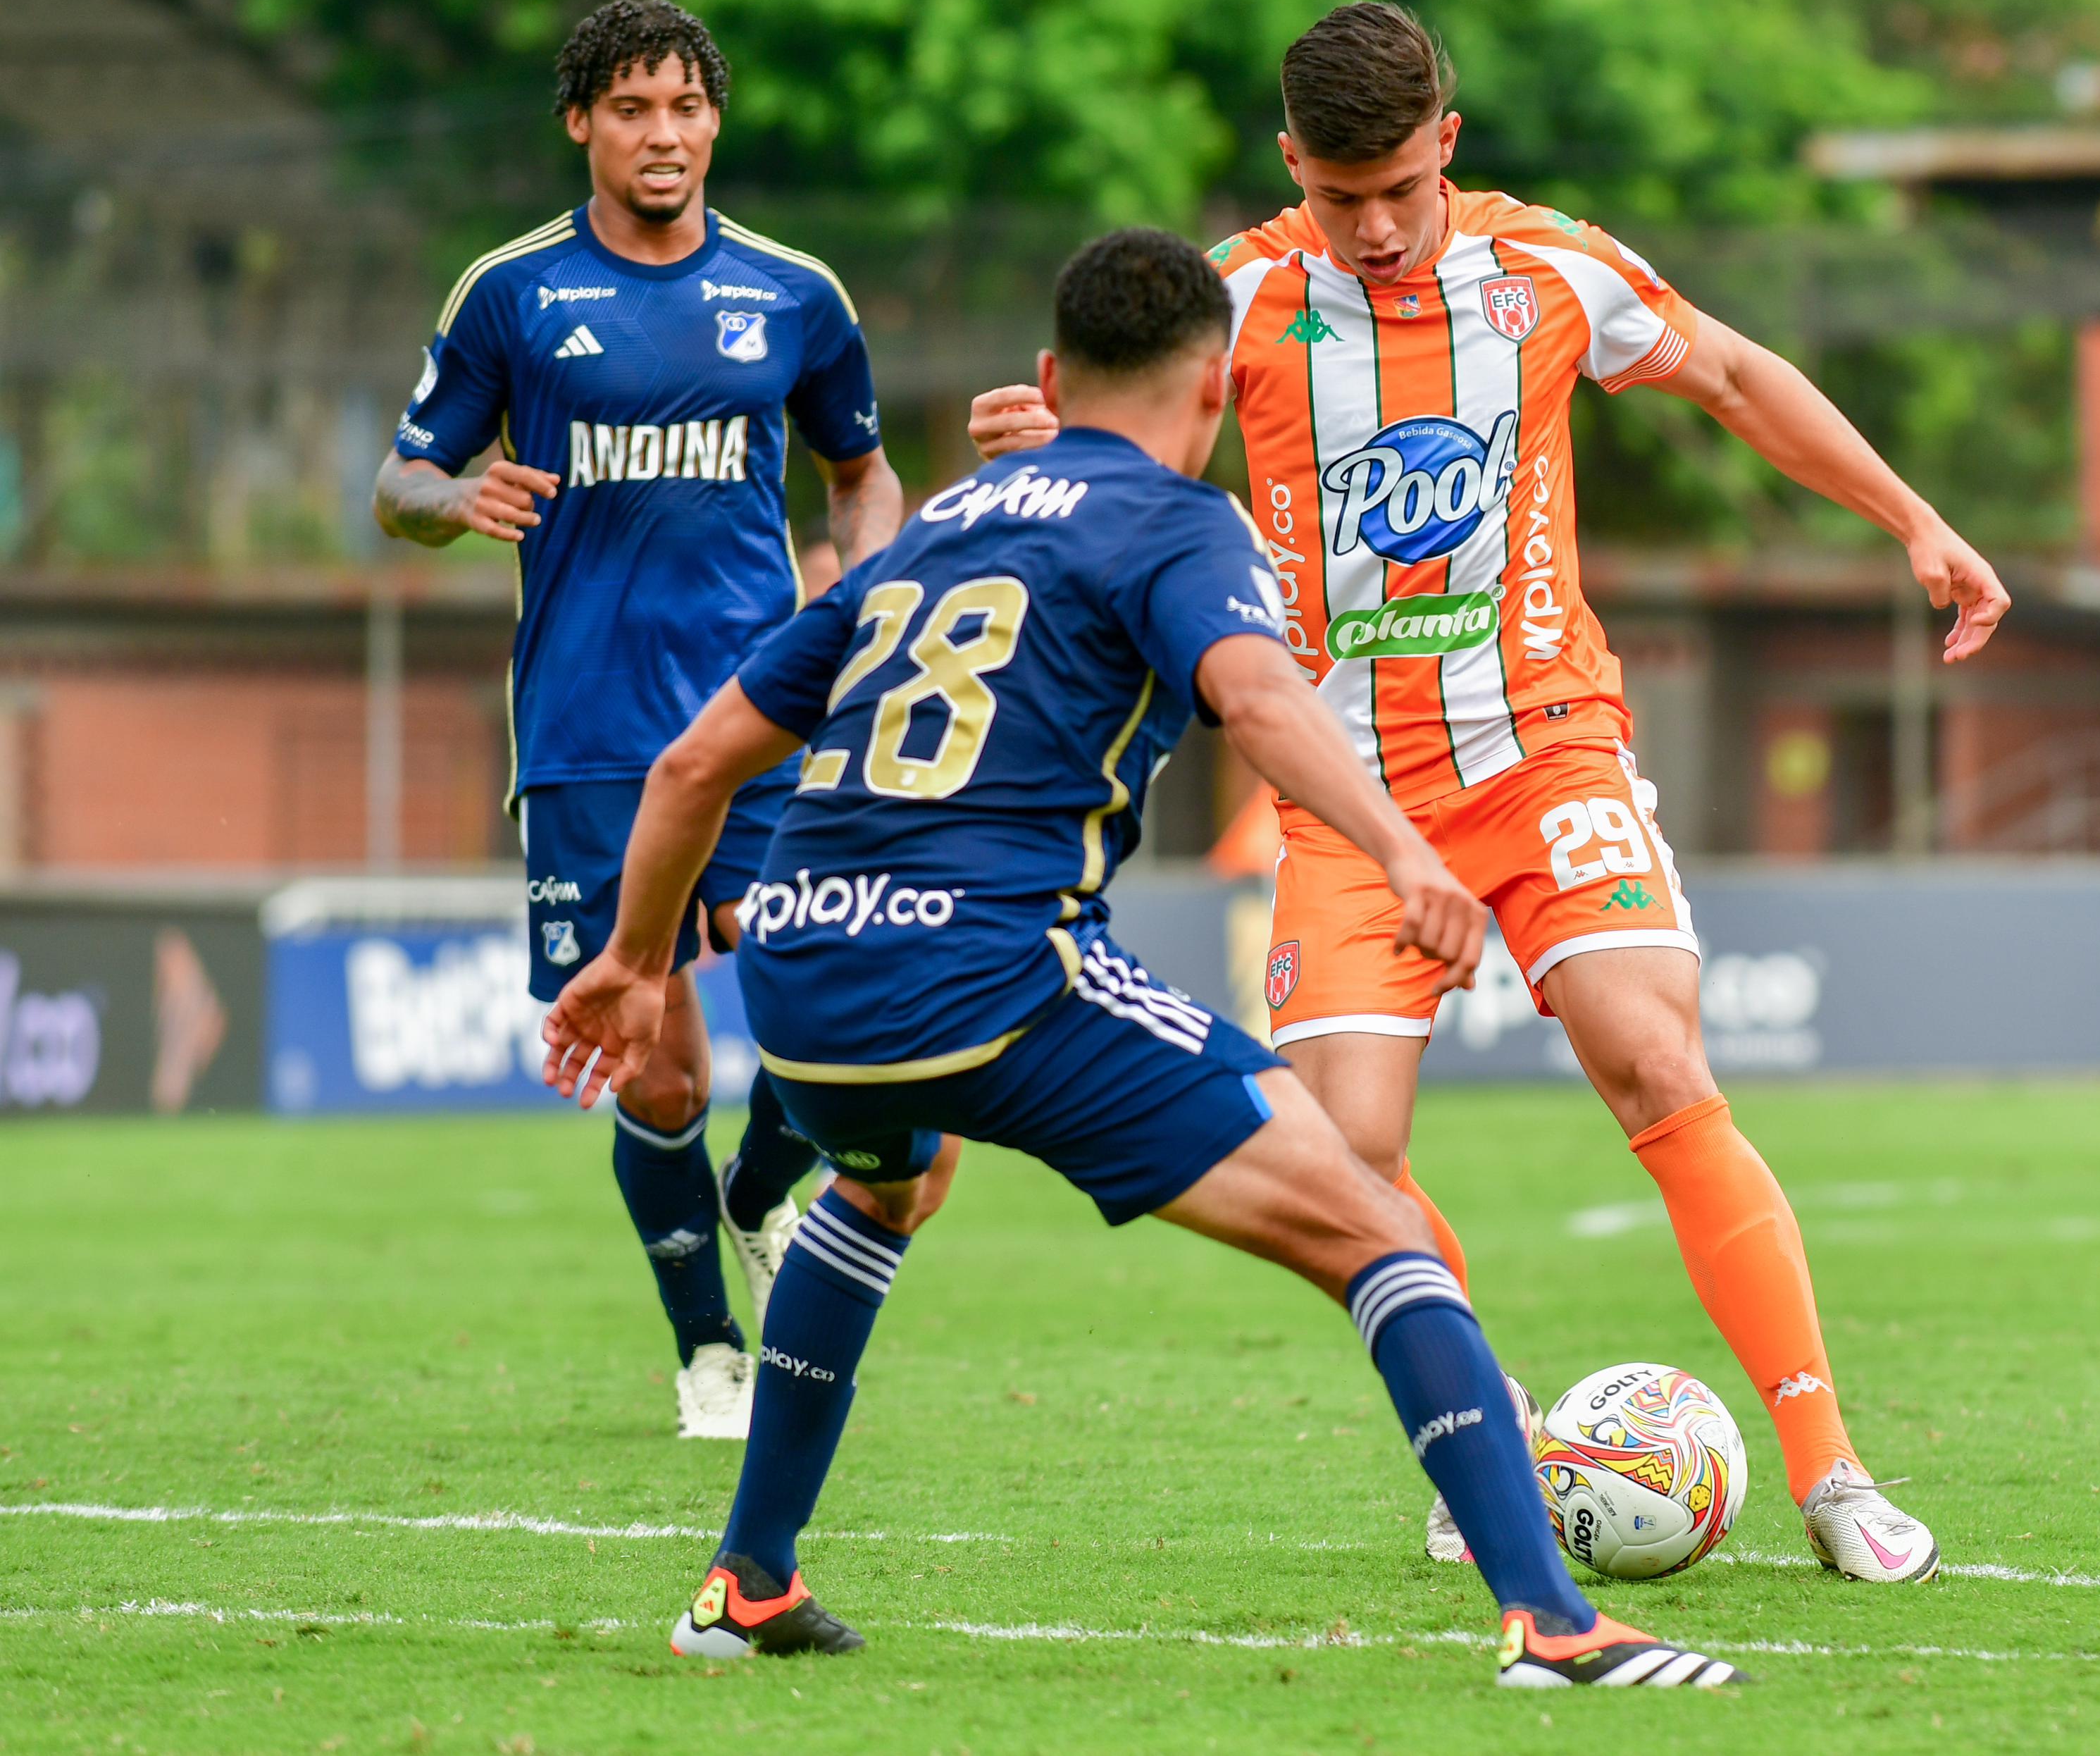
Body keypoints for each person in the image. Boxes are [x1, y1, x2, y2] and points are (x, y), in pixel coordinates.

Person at [540, 229, 1741, 1688]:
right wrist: (1406, 850)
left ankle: (747, 1578)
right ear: (1214, 397)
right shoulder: (1179, 523)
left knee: (882, 1179)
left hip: (800, 972)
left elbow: (690, 767)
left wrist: (631, 960)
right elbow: (1258, 693)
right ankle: (1557, 1622)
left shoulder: (935, 528)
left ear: (1051, 378)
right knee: (1380, 1229)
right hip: (989, 967)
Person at [969, 2, 2011, 1583]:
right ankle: (1495, 1427)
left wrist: (1913, 520)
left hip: (1543, 750)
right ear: (1288, 168)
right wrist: (1046, 441)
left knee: (1650, 1056)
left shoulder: (1548, 272)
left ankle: (1832, 1472)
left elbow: (1731, 372)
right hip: (1346, 795)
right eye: (1339, 194)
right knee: (1343, 1150)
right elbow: (1114, 452)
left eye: (1398, 185)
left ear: (1447, 141)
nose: (1374, 227)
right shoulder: (1238, 297)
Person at [375, 0, 903, 1438]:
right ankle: (711, 1352)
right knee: (658, 1053)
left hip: (769, 713)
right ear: (580, 126)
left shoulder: (795, 293)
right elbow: (400, 480)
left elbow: (859, 472)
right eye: (629, 110)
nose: (659, 135)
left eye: (682, 107)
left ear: (714, 121)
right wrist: (452, 499)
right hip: (593, 727)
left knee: (837, 994)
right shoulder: (513, 293)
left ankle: (756, 1192)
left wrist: (869, 588)